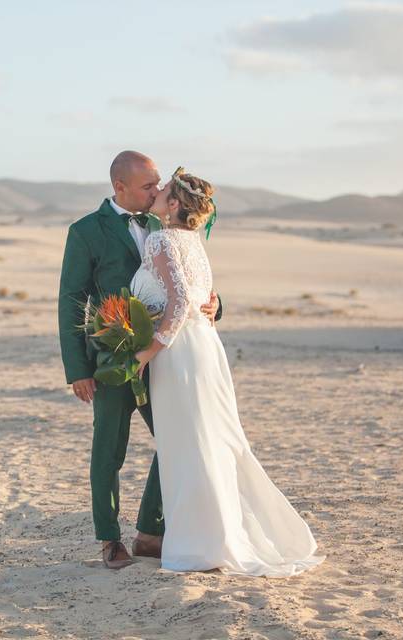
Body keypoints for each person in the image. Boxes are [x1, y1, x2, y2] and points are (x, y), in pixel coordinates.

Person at [131, 168, 325, 576]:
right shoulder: (193, 242)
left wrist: (146, 353)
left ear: (175, 204)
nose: (158, 191)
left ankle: (204, 543)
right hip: (203, 348)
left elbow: (181, 304)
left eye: (164, 189)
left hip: (179, 353)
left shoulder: (162, 239)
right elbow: (197, 300)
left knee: (190, 444)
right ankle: (212, 536)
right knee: (207, 441)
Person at [57, 152, 222, 569]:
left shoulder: (161, 224)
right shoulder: (85, 232)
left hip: (164, 359)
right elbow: (72, 301)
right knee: (109, 450)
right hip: (112, 358)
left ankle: (150, 532)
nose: (156, 191)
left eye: (157, 185)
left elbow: (186, 280)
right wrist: (78, 369)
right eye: (148, 186)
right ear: (119, 187)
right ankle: (110, 540)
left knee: (174, 440)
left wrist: (215, 306)